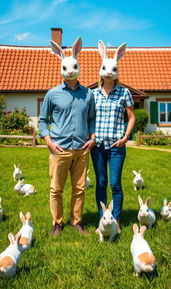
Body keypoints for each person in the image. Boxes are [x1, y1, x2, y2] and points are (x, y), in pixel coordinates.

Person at [39, 37, 95, 237]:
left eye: (73, 67)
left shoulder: (88, 94)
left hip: (81, 149)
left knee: (79, 189)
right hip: (59, 149)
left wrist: (93, 136)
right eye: (66, 67)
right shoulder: (52, 94)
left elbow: (91, 119)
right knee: (56, 190)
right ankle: (57, 223)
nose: (70, 71)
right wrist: (49, 143)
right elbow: (43, 121)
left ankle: (76, 222)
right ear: (61, 67)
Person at [91, 40, 136, 233]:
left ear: (117, 71)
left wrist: (126, 137)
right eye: (105, 69)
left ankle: (116, 220)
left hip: (117, 146)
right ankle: (103, 220)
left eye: (113, 69)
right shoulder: (92, 94)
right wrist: (91, 136)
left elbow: (132, 116)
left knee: (115, 183)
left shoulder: (124, 92)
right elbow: (88, 118)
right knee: (101, 182)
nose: (109, 73)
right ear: (101, 70)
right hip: (98, 146)